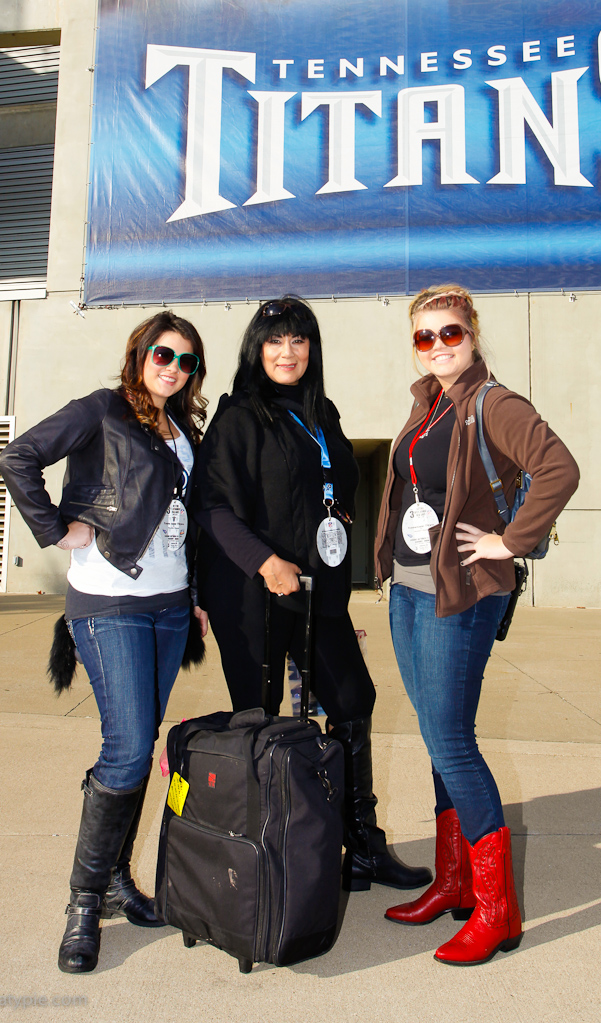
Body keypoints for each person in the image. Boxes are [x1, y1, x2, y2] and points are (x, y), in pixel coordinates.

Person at [193, 295, 431, 893]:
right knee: (260, 715)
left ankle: (362, 846)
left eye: (299, 340)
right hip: (252, 593)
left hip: (317, 594)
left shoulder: (323, 412)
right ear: (256, 349)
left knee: (352, 700)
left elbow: (334, 492)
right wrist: (264, 560)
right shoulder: (238, 416)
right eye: (275, 341)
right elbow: (212, 506)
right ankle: (262, 857)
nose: (287, 352)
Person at [0, 311, 209, 973]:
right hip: (109, 602)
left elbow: (185, 518)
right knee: (126, 748)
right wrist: (57, 528)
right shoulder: (101, 409)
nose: (172, 367)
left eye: (186, 360)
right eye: (163, 354)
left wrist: (195, 593)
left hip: (169, 607)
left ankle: (117, 879)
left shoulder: (184, 429)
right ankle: (84, 901)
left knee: (138, 746)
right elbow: (18, 456)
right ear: (139, 353)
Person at [375, 284, 579, 965]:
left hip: (459, 594)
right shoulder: (427, 403)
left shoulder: (496, 403)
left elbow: (559, 469)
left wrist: (509, 542)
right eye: (424, 336)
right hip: (409, 590)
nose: (437, 345)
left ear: (472, 334)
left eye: (450, 332)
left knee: (451, 742)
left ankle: (496, 911)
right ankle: (454, 882)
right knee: (438, 739)